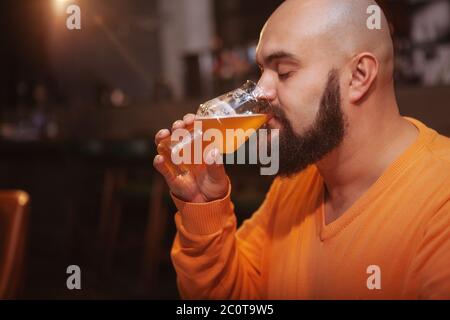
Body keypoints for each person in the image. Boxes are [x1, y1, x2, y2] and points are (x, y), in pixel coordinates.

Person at [153, 0, 450, 299]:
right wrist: (205, 210)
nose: (261, 92)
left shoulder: (441, 201)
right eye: (261, 71)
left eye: (284, 72)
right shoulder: (296, 184)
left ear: (359, 75)